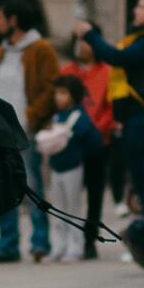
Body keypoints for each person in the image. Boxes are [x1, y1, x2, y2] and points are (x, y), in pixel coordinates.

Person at [76, 0, 144, 210]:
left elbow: (117, 58)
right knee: (143, 173)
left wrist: (91, 35)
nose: (135, 10)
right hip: (139, 116)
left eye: (141, 6)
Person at [0, 0, 58, 263]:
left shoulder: (41, 49)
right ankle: (8, 244)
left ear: (13, 20)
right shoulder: (0, 52)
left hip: (25, 130)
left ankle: (40, 241)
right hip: (0, 130)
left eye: (0, 17)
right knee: (3, 188)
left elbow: (51, 87)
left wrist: (30, 116)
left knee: (33, 185)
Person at [59, 37, 117, 258]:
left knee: (95, 192)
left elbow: (111, 107)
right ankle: (67, 239)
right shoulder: (67, 71)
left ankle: (90, 238)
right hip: (70, 141)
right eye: (79, 41)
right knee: (68, 193)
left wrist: (97, 129)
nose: (82, 46)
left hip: (97, 141)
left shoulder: (107, 72)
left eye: (88, 41)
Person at [35, 76, 102, 263]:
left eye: (63, 93)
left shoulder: (79, 117)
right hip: (56, 169)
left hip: (73, 168)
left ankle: (76, 246)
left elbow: (94, 141)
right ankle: (58, 245)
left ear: (74, 95)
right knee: (57, 209)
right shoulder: (57, 116)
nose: (58, 97)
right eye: (57, 93)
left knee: (73, 209)